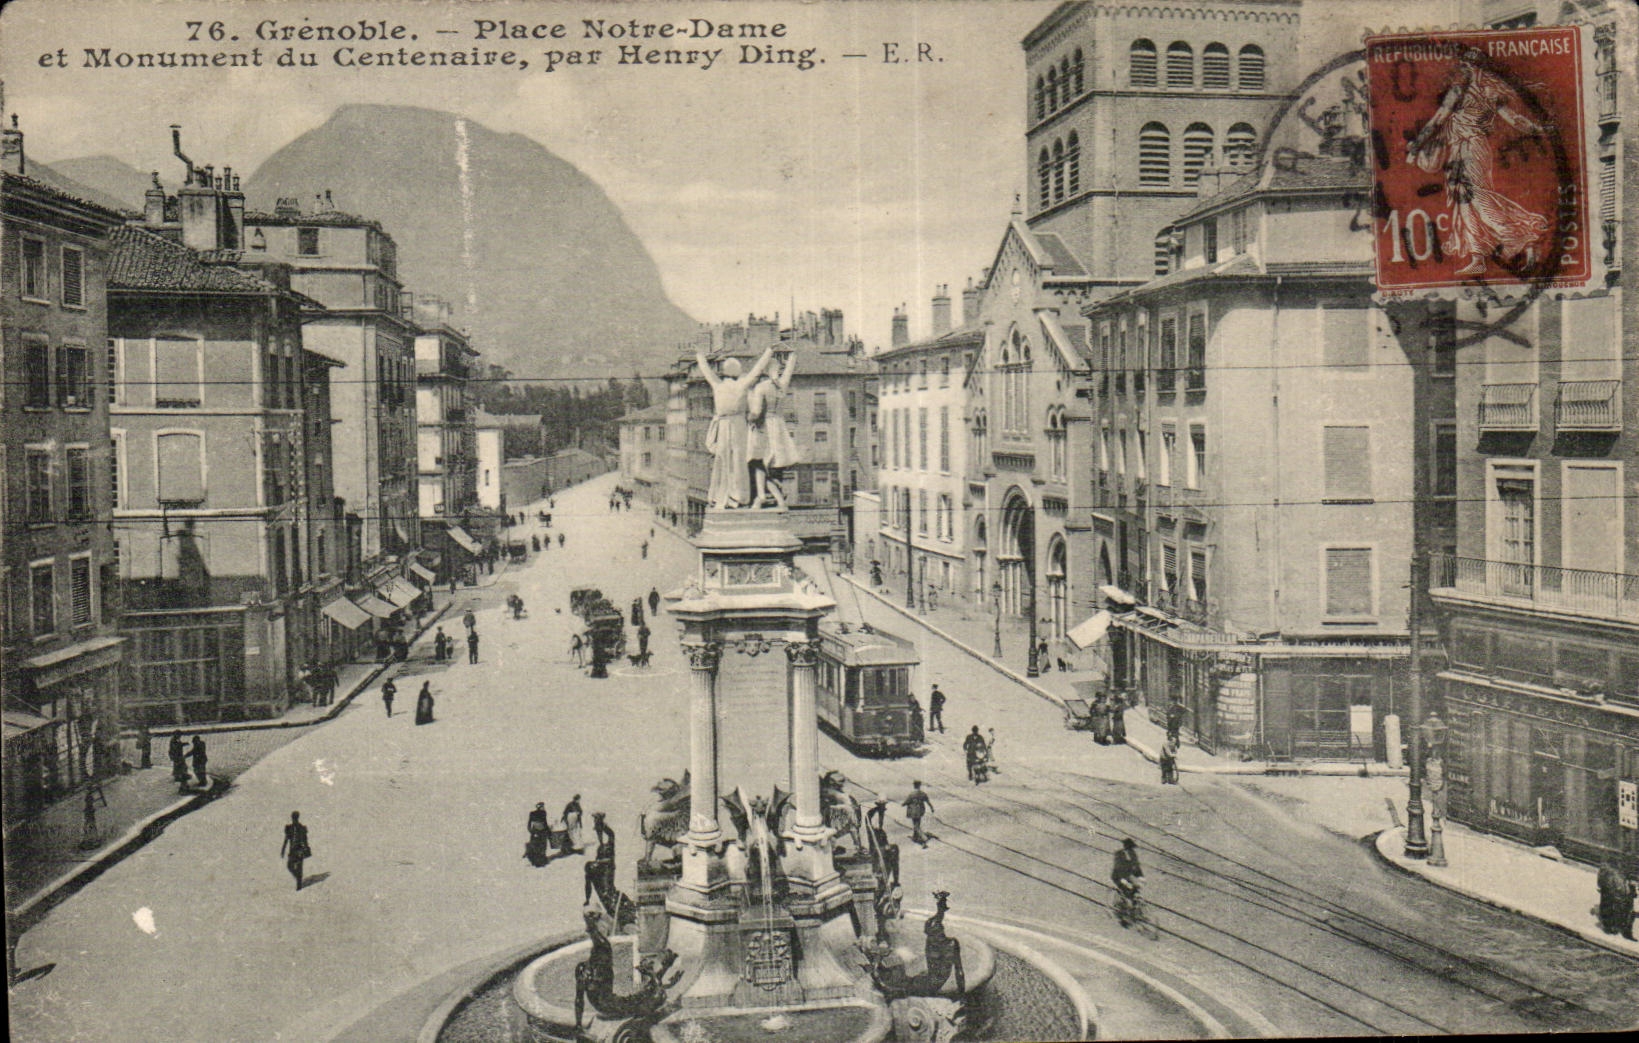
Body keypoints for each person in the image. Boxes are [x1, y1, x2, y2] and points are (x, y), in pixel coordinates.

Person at [698, 343, 777, 508]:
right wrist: (769, 351)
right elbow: (757, 369)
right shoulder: (742, 384)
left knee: (722, 459)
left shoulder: (717, 384)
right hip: (738, 425)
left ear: (724, 372)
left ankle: (720, 494)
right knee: (739, 460)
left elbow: (706, 370)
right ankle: (739, 496)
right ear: (738, 372)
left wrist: (699, 355)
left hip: (723, 425)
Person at [745, 351, 798, 508]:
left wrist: (748, 418)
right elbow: (789, 370)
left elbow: (756, 412)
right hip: (779, 427)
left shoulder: (760, 388)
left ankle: (761, 496)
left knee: (759, 462)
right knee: (772, 465)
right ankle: (778, 498)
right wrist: (792, 356)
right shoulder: (782, 384)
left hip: (765, 428)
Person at [1597, 862, 1636, 940]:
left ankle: (1625, 931)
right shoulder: (1612, 875)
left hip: (1622, 895)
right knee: (1614, 909)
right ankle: (1612, 928)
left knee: (1629, 912)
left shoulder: (1623, 877)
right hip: (1616, 896)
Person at [1111, 838, 1143, 926]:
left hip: (1128, 876)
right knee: (1126, 894)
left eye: (1132, 848)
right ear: (1125, 847)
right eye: (1129, 848)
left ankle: (1134, 913)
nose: (1131, 849)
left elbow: (1136, 866)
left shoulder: (1133, 854)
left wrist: (1141, 876)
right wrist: (1123, 881)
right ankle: (1122, 918)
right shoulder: (1119, 854)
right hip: (1118, 876)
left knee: (1135, 891)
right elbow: (1118, 868)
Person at [281, 811, 311, 891]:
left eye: (295, 817)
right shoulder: (289, 828)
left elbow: (305, 840)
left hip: (300, 850)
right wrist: (283, 850)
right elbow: (286, 839)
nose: (294, 819)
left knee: (299, 868)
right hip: (292, 851)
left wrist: (306, 849)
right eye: (293, 818)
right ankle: (298, 879)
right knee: (290, 866)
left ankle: (299, 887)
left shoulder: (302, 828)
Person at [902, 781, 933, 848]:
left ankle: (924, 840)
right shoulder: (922, 793)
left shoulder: (912, 794)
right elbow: (928, 801)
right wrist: (932, 808)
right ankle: (915, 837)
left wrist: (903, 804)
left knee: (916, 826)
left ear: (914, 786)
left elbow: (907, 801)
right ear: (919, 785)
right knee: (917, 824)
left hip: (913, 812)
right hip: (920, 811)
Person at [526, 802, 552, 867]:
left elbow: (529, 824)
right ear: (540, 807)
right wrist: (549, 831)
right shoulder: (543, 813)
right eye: (543, 806)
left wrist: (531, 831)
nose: (544, 808)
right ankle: (541, 861)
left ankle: (536, 861)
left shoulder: (532, 813)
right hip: (541, 831)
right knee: (542, 846)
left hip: (535, 831)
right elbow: (545, 823)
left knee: (536, 846)